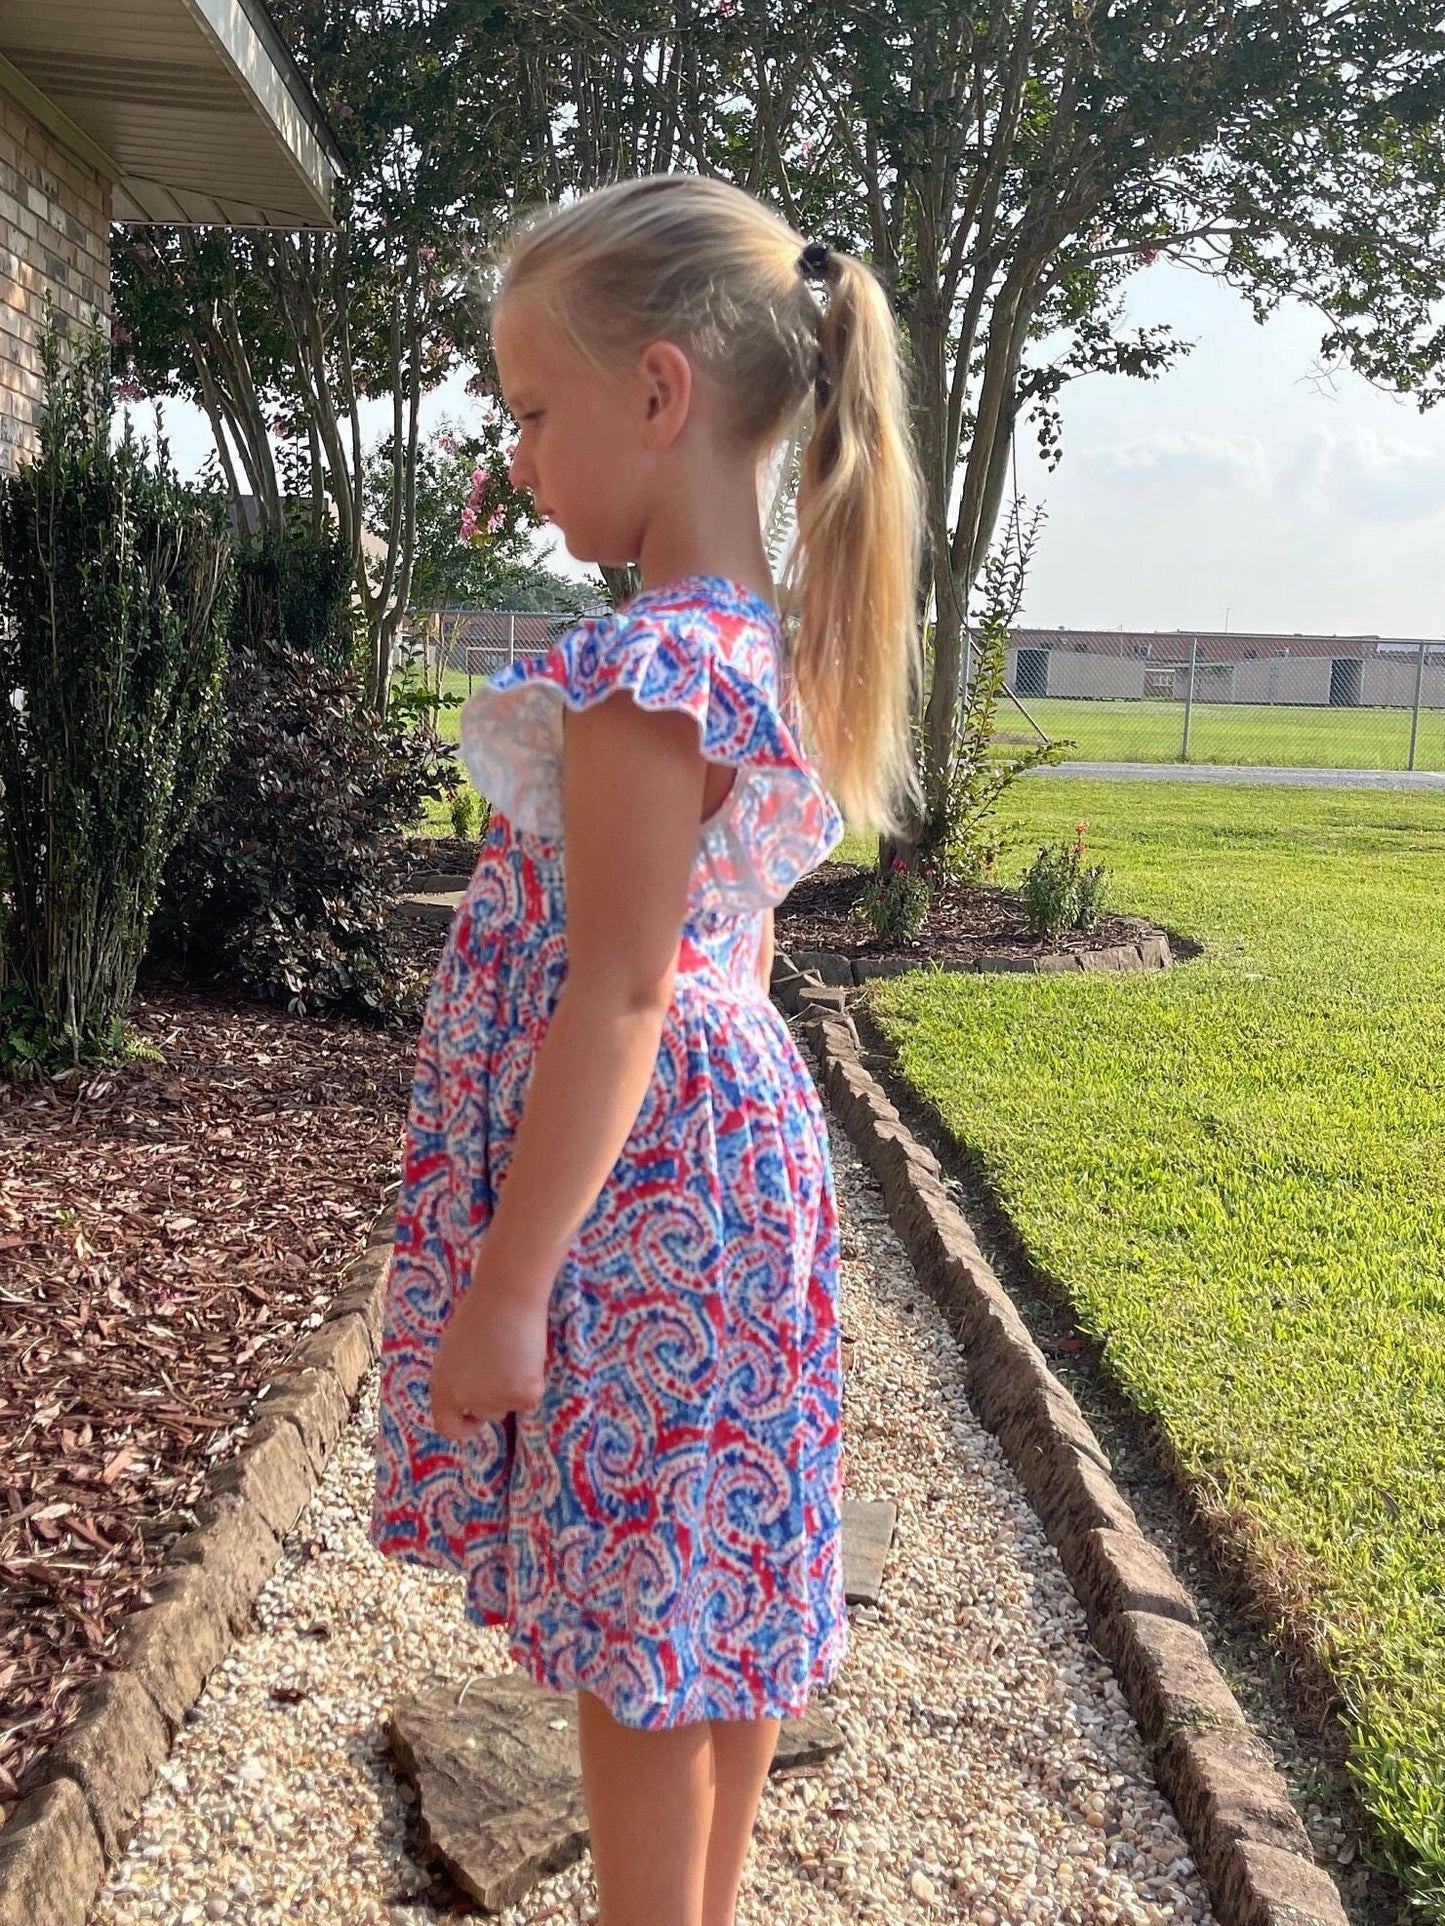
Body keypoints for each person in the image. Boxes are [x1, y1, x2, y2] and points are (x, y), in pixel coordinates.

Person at [370, 172, 923, 1926]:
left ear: (660, 394)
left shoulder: (639, 672)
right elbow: (717, 954)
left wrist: (508, 1280)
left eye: (534, 410)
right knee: (722, 1575)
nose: (519, 456)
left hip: (631, 1203)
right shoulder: (763, 644)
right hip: (738, 1165)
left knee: (631, 1619)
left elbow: (614, 992)